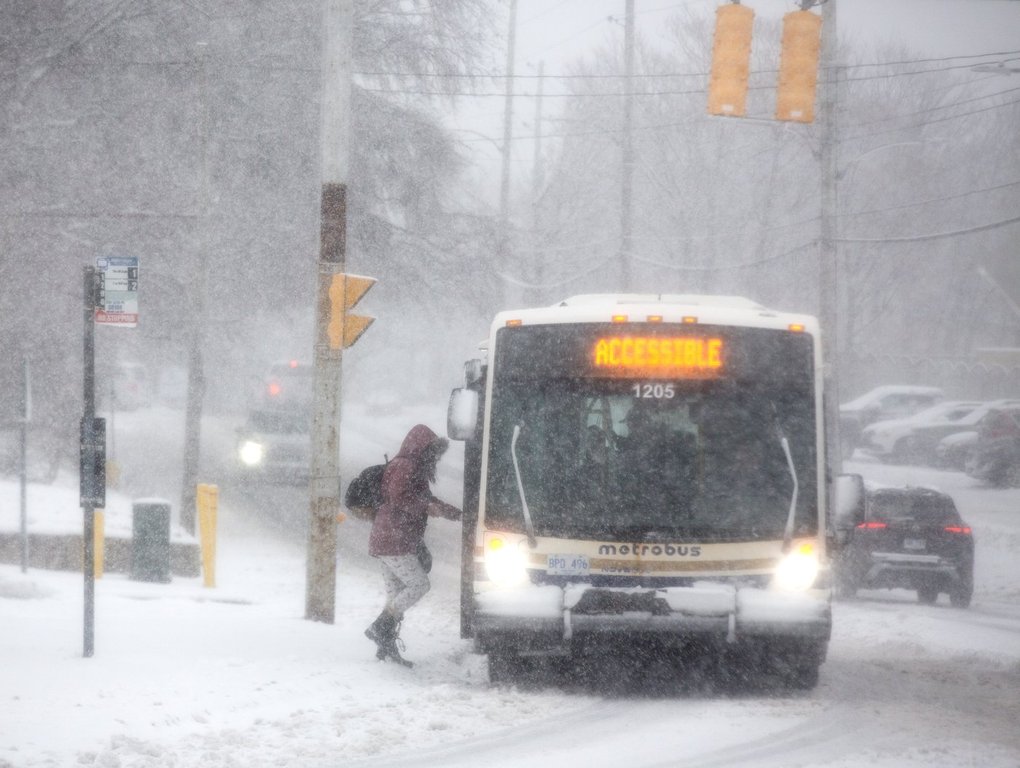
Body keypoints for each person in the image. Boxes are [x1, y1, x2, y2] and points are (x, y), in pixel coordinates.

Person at [365, 424, 461, 666]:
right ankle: (380, 627)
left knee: (396, 595)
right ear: (422, 448)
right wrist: (425, 507)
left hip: (388, 537)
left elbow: (427, 499)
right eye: (434, 452)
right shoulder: (405, 466)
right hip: (393, 538)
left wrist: (456, 514)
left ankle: (385, 647)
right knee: (419, 584)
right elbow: (400, 498)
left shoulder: (413, 467)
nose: (436, 458)